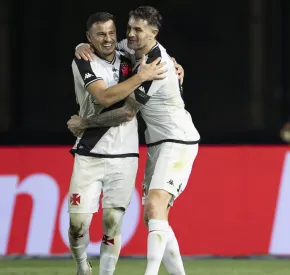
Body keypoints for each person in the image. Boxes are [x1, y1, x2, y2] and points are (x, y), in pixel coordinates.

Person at [70, 6, 200, 275]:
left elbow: (127, 112)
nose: (130, 34)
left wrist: (84, 123)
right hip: (157, 142)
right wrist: (82, 44)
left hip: (178, 139)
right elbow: (104, 45)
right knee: (154, 215)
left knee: (154, 207)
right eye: (129, 28)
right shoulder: (130, 49)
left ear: (154, 34)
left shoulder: (157, 66)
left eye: (138, 30)